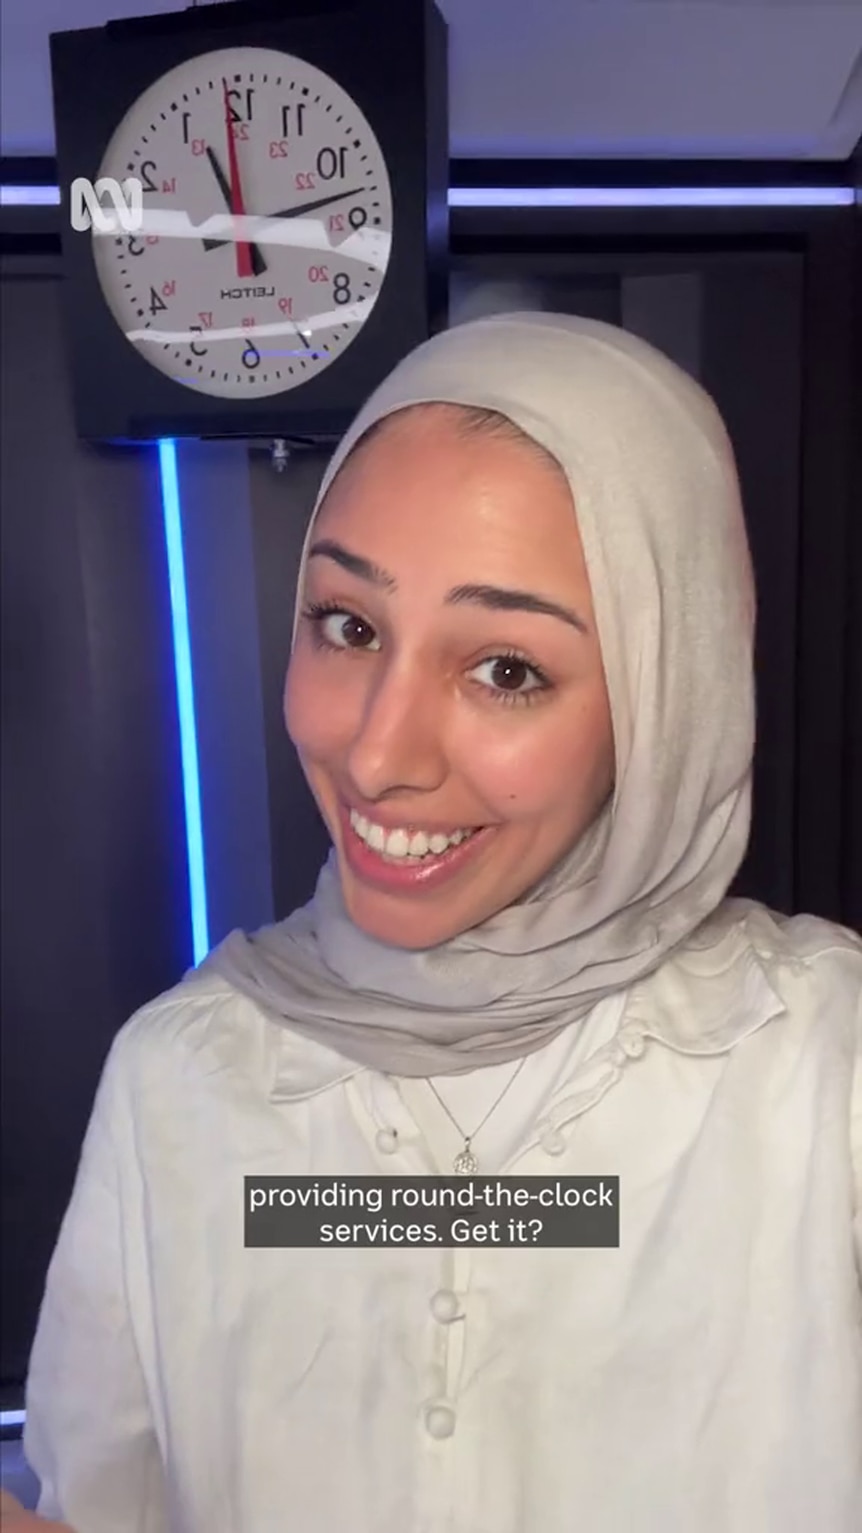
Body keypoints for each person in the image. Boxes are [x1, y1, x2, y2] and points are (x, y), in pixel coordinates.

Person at [7, 313, 861, 1532]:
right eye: (347, 626)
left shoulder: (826, 1071)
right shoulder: (180, 1081)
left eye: (505, 669)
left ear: (669, 697)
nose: (375, 753)